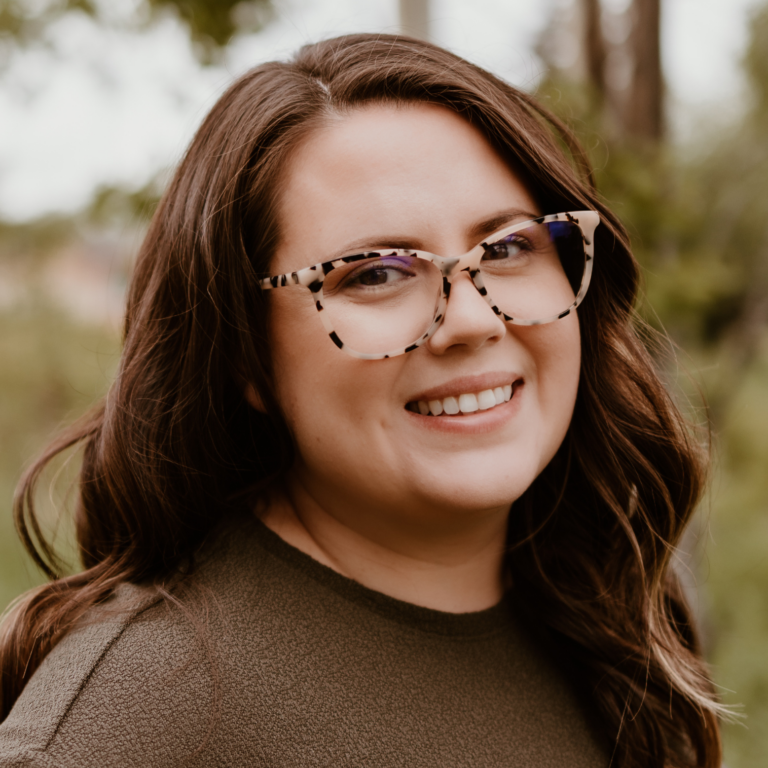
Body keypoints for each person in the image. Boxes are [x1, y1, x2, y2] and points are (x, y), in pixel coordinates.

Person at [0, 33, 724, 767]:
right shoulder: (133, 721)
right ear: (244, 356)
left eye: (507, 248)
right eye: (375, 274)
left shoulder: (608, 639)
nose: (473, 320)